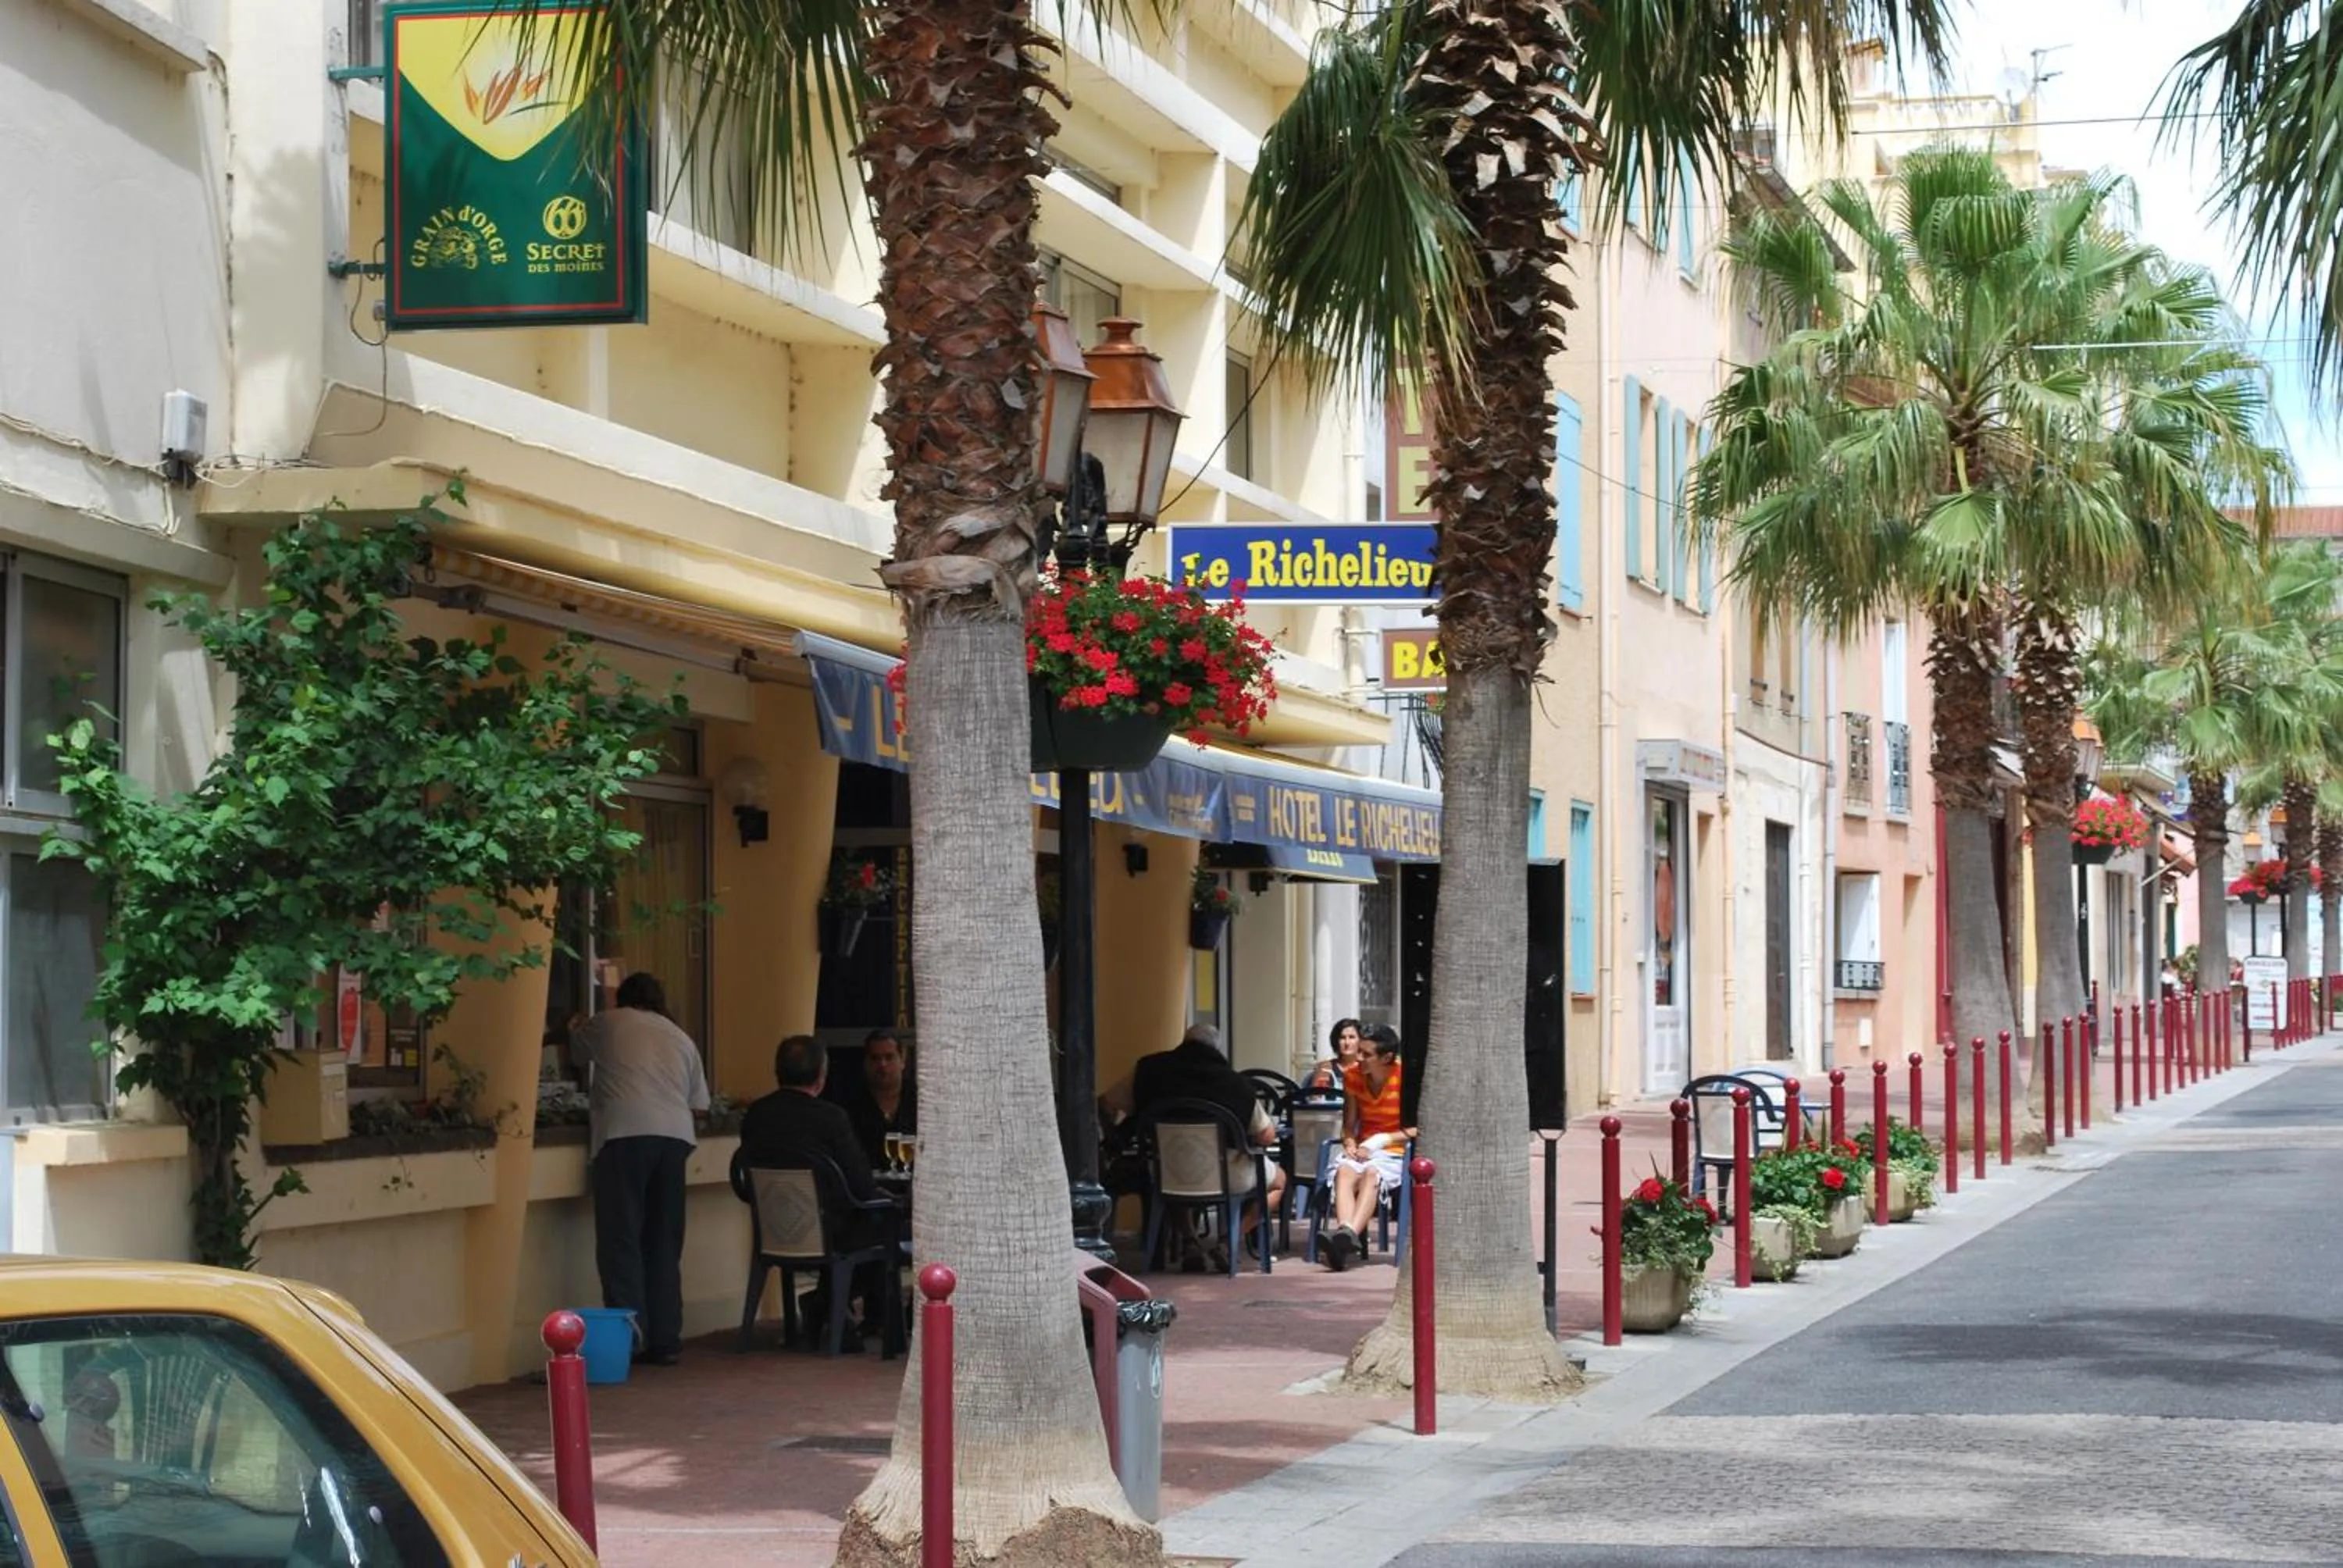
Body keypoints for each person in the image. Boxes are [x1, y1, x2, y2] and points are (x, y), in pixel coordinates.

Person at [569, 973, 709, 1367]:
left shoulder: (609, 1022)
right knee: (664, 1240)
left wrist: (573, 1025)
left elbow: (578, 1055)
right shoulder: (680, 1036)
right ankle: (666, 1339)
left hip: (624, 1134)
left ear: (623, 998)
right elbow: (700, 1104)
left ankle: (628, 1339)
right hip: (675, 1138)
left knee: (621, 1239)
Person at [739, 1034, 893, 1344]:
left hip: (774, 1230)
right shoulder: (831, 1118)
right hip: (830, 1233)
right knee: (888, 1226)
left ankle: (823, 1306)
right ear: (821, 1077)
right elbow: (862, 1188)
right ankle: (830, 1306)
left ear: (777, 1072)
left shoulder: (756, 1116)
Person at [1107, 1023, 1285, 1264]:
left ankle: (1191, 1241)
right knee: (1280, 1182)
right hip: (1228, 1174)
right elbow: (1266, 1136)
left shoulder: (1148, 1070)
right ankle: (1228, 1242)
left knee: (1173, 1175)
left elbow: (1108, 1103)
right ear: (1217, 1049)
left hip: (1167, 1170)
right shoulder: (1236, 1085)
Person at [1321, 1024, 1413, 1271]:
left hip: (1394, 1151)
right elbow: (1349, 1124)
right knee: (1344, 1172)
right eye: (1358, 1051)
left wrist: (1382, 1140)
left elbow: (1420, 1127)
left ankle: (1344, 1237)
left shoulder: (1406, 1076)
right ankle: (1345, 1237)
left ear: (1387, 1057)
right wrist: (1349, 1142)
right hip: (1362, 1149)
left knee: (1372, 1174)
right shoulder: (1353, 1076)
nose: (1358, 1058)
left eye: (1366, 1054)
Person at [847, 1028, 917, 1168]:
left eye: (889, 1057)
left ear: (902, 1061)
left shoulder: (921, 1100)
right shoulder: (850, 1103)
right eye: (875, 1058)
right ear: (865, 1063)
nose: (882, 1065)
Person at [1307, 1017, 1363, 1092]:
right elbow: (1316, 1098)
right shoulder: (1325, 1068)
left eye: (1352, 1037)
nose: (1347, 1043)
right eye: (1342, 1038)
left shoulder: (1367, 1068)